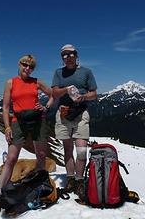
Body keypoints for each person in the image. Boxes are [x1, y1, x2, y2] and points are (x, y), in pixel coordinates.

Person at [0, 54, 54, 213]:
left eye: (31, 66)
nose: (27, 68)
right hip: (18, 121)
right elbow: (5, 107)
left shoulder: (36, 82)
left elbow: (52, 94)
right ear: (19, 65)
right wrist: (7, 127)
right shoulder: (10, 82)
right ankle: (0, 194)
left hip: (37, 120)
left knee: (40, 154)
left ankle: (37, 187)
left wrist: (46, 107)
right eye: (25, 65)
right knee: (11, 158)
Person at [51, 44, 97, 199]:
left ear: (76, 55)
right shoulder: (58, 73)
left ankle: (79, 180)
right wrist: (67, 89)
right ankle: (71, 179)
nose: (67, 57)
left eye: (70, 54)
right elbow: (55, 93)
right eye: (64, 55)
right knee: (68, 149)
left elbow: (94, 94)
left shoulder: (86, 72)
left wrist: (83, 97)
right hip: (63, 113)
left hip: (81, 113)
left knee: (82, 150)